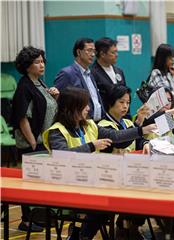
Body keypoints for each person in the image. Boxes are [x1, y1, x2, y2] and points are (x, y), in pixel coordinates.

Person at [42, 87, 156, 239]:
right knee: (103, 205)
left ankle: (120, 229)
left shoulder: (89, 125)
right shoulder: (56, 131)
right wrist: (91, 146)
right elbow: (62, 156)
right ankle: (83, 235)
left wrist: (141, 130)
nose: (88, 108)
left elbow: (115, 136)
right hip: (67, 184)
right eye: (84, 105)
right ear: (71, 108)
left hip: (91, 181)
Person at [11, 46, 59, 232]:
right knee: (30, 182)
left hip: (44, 140)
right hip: (33, 142)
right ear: (27, 66)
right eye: (37, 62)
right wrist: (32, 142)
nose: (42, 65)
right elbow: (22, 118)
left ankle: (39, 217)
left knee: (40, 182)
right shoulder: (24, 87)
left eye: (42, 62)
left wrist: (55, 95)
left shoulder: (41, 83)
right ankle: (27, 220)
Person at [54, 38, 105, 121]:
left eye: (94, 51)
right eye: (89, 50)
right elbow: (59, 101)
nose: (92, 54)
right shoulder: (67, 73)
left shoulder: (90, 73)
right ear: (78, 52)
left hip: (96, 123)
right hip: (79, 123)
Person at [98, 85, 150, 154]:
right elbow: (121, 141)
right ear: (111, 102)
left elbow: (138, 140)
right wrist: (138, 124)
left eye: (128, 103)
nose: (125, 106)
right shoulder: (102, 125)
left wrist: (145, 143)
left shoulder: (128, 122)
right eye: (121, 102)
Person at [91, 37, 126, 102]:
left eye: (116, 52)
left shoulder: (119, 71)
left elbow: (125, 95)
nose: (116, 55)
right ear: (102, 54)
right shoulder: (92, 73)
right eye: (113, 52)